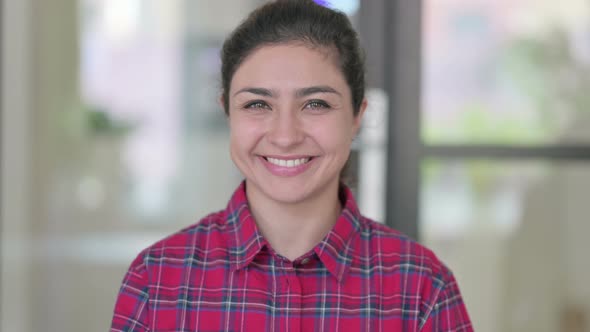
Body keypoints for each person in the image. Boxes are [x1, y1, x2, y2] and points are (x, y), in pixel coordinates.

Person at [110, 1, 473, 331]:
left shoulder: (423, 287)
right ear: (228, 114)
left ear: (357, 117)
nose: (285, 136)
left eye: (315, 104)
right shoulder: (156, 281)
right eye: (257, 105)